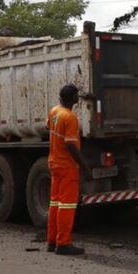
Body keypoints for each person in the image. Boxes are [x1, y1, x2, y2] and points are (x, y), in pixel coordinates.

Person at [46, 84, 90, 255]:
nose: (78, 97)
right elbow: (70, 144)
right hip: (67, 166)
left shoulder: (54, 111)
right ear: (72, 97)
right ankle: (63, 243)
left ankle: (52, 241)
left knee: (55, 203)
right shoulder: (70, 117)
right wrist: (84, 166)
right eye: (76, 95)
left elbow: (48, 128)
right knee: (67, 205)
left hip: (54, 163)